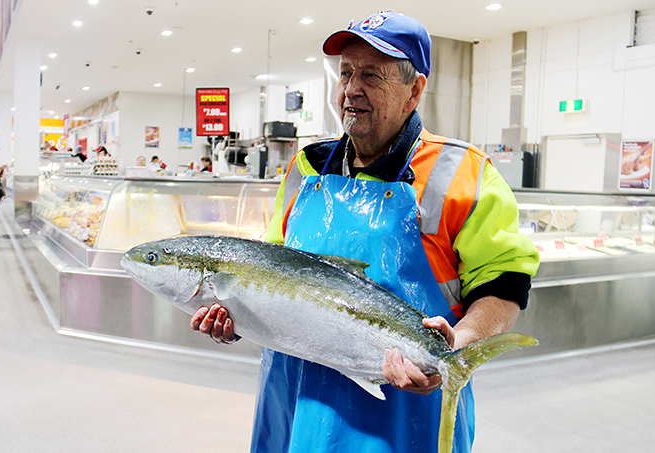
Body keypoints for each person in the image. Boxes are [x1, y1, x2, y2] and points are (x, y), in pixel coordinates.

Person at [190, 12, 540, 453]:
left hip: (402, 409)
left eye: (371, 76)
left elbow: (503, 284)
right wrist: (236, 316)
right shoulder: (305, 168)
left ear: (414, 90)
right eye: (346, 73)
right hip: (292, 400)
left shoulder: (464, 174)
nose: (351, 89)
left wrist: (461, 343)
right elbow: (272, 277)